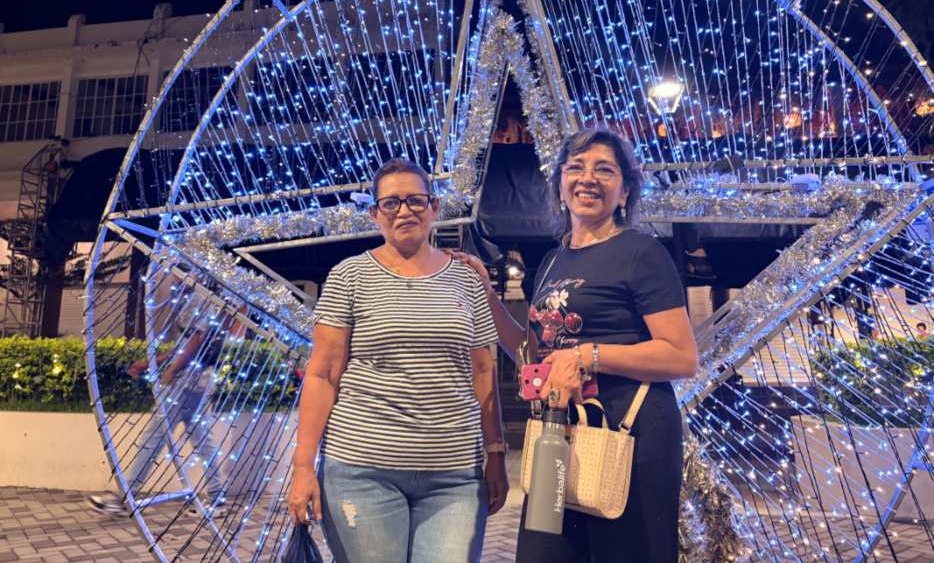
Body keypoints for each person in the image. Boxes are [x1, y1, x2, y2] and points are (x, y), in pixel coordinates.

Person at [454, 127, 698, 563]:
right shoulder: (553, 259)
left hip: (631, 432)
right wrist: (488, 297)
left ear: (624, 192)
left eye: (604, 170)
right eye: (576, 168)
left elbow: (681, 356)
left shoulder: (641, 253)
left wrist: (588, 356)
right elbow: (533, 356)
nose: (588, 178)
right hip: (560, 431)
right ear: (560, 186)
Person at [287, 158, 509, 563]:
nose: (404, 210)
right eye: (390, 203)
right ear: (375, 214)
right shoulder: (349, 276)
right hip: (361, 470)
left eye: (415, 201)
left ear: (435, 208)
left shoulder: (467, 280)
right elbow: (322, 374)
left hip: (454, 474)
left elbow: (483, 371)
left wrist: (496, 452)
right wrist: (303, 464)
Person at [89, 286, 240, 517]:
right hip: (200, 379)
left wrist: (171, 370)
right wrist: (154, 362)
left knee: (154, 438)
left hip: (186, 381)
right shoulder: (211, 296)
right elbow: (188, 343)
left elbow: (196, 340)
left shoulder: (201, 296)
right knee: (201, 439)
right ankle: (217, 499)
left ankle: (124, 498)